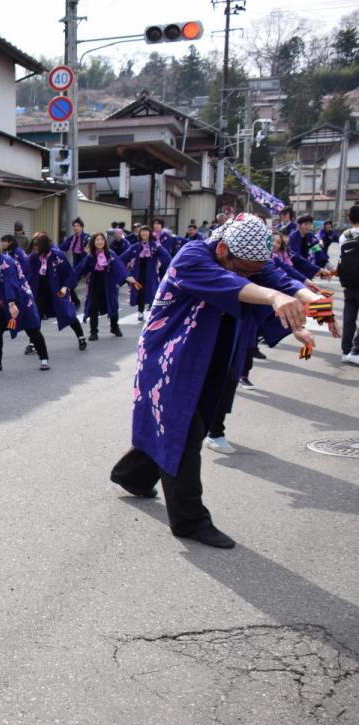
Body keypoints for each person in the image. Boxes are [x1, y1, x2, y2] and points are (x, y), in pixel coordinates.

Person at [110, 213, 335, 549]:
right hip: (171, 352)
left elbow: (278, 281)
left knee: (185, 424)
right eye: (243, 267)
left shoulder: (248, 261)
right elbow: (242, 287)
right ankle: (190, 520)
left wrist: (312, 308)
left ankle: (132, 474)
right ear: (223, 249)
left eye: (252, 269)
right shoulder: (192, 257)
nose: (248, 273)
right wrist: (274, 298)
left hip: (212, 349)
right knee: (183, 428)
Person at [0, 233, 50, 372]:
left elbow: (10, 283)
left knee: (32, 329)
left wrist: (12, 303)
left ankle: (44, 358)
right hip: (2, 305)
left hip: (21, 302)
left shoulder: (6, 262)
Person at [25, 234, 87, 350]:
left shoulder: (58, 255)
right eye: (34, 246)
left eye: (37, 246)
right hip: (40, 291)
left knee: (68, 314)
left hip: (57, 290)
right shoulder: (33, 257)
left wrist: (65, 287)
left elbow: (69, 274)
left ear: (44, 245)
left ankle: (81, 337)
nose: (35, 248)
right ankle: (33, 342)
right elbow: (26, 272)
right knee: (36, 315)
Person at [71, 232, 135, 341]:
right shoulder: (91, 256)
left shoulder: (110, 254)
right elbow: (80, 269)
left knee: (113, 305)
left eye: (102, 240)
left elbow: (118, 266)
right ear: (94, 242)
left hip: (109, 284)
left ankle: (114, 327)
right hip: (95, 284)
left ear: (105, 242)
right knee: (93, 307)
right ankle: (94, 332)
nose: (100, 242)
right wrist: (69, 282)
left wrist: (126, 277)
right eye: (97, 240)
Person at [120, 226, 172, 321]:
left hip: (151, 275)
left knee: (154, 293)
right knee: (140, 293)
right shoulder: (135, 246)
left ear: (150, 233)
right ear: (140, 234)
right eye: (142, 232)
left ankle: (155, 312)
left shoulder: (155, 246)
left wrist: (170, 269)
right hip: (138, 275)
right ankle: (140, 312)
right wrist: (124, 272)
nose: (144, 234)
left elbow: (166, 257)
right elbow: (122, 259)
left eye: (146, 232)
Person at [339, 205, 359, 366]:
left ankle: (346, 351)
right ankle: (356, 350)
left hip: (348, 281)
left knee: (349, 317)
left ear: (349, 219)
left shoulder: (344, 235)